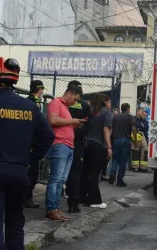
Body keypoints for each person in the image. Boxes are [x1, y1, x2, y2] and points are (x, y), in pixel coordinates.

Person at [0, 57, 55, 249]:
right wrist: (30, 158)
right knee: (15, 224)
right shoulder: (30, 107)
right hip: (19, 173)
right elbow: (47, 135)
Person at [45, 86, 86, 221]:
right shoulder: (56, 103)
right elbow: (53, 120)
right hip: (60, 145)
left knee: (61, 180)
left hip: (68, 146)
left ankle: (55, 209)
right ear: (68, 93)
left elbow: (61, 123)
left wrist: (74, 124)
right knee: (56, 179)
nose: (75, 102)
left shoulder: (65, 108)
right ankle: (51, 209)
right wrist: (72, 121)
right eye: (74, 99)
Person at [81, 94, 112, 208]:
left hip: (87, 144)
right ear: (106, 102)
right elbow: (105, 130)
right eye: (109, 102)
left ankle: (81, 198)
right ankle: (94, 200)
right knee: (95, 173)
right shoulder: (106, 113)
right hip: (98, 144)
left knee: (85, 172)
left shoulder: (91, 112)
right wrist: (109, 147)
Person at [65, 80, 91, 214]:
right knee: (75, 172)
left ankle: (54, 205)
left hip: (63, 141)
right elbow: (87, 126)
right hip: (77, 142)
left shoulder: (62, 104)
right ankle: (73, 203)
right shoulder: (85, 106)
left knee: (59, 173)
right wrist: (76, 135)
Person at [25, 80, 45, 208]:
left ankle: (26, 197)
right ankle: (26, 198)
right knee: (31, 172)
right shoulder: (34, 102)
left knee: (32, 171)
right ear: (40, 90)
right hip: (31, 142)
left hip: (29, 141)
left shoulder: (29, 100)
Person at [109, 103, 134, 187]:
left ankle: (112, 173)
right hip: (125, 140)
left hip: (116, 140)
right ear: (127, 109)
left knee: (115, 158)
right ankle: (120, 179)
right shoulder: (130, 117)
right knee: (123, 161)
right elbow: (133, 128)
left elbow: (111, 129)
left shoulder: (115, 118)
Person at [130, 107, 149, 172]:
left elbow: (145, 128)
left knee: (145, 150)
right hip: (136, 135)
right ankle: (135, 167)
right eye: (141, 111)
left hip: (143, 136)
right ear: (137, 111)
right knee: (135, 151)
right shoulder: (133, 119)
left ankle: (143, 167)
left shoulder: (143, 120)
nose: (143, 113)